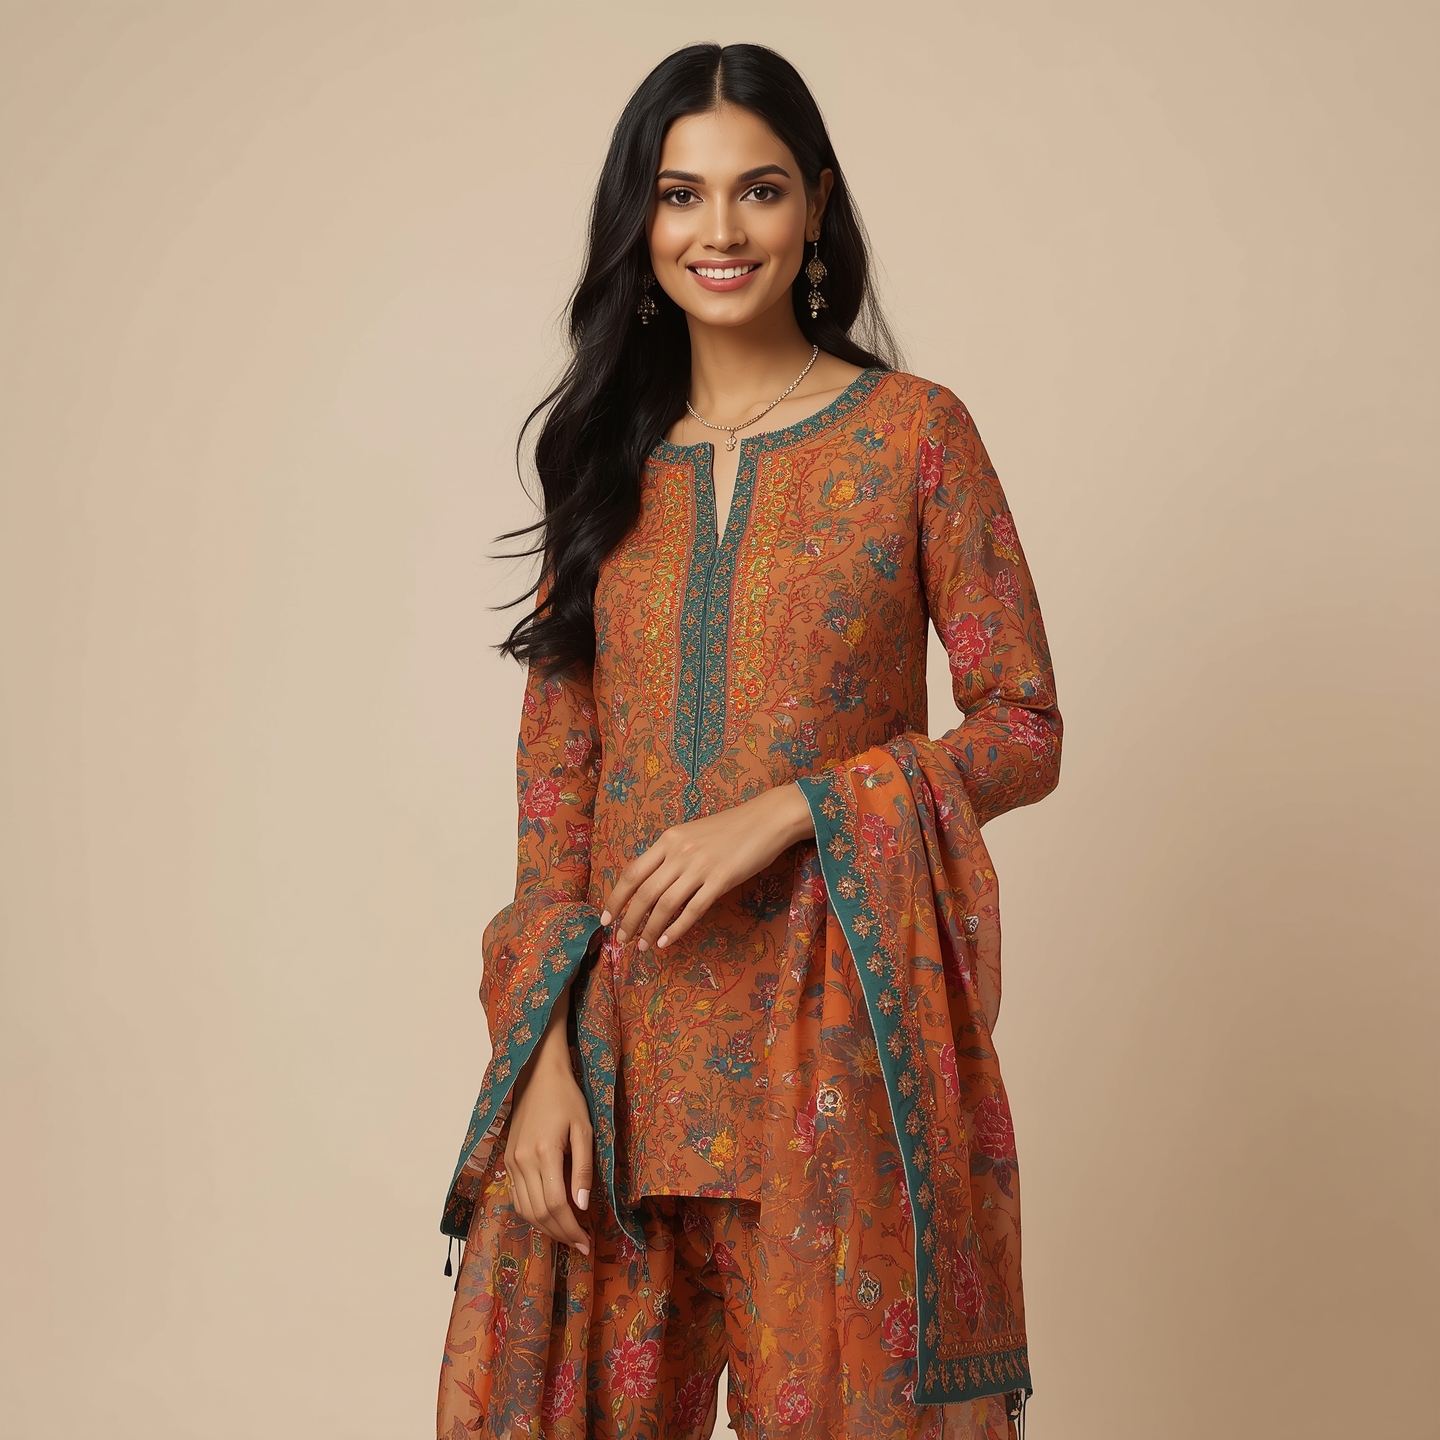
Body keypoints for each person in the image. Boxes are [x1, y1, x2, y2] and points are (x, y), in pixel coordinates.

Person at [437, 41, 1061, 1440]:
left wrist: (798, 810)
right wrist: (534, 1062)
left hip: (831, 1064)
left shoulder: (914, 437)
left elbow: (1024, 725)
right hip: (617, 1070)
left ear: (816, 206)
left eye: (759, 190)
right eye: (680, 194)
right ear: (640, 219)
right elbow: (555, 796)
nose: (718, 231)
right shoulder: (602, 462)